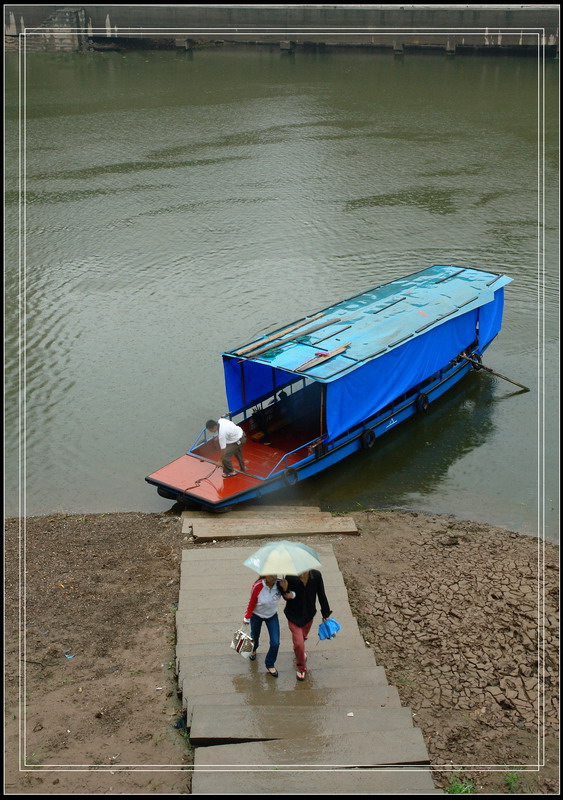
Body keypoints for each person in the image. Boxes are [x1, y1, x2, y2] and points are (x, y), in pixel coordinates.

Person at [282, 570, 332, 681]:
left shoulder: (316, 576)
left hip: (308, 615)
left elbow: (321, 594)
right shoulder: (290, 577)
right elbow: (286, 596)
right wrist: (285, 590)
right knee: (299, 643)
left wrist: (326, 614)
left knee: (302, 639)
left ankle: (299, 651)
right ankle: (301, 667)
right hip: (293, 615)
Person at [243, 575, 290, 677]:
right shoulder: (258, 586)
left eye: (274, 574)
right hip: (257, 615)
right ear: (265, 575)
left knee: (275, 642)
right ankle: (254, 650)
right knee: (254, 637)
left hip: (272, 616)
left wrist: (286, 589)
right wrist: (247, 617)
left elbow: (289, 597)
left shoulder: (280, 584)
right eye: (270, 575)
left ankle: (270, 664)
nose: (273, 577)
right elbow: (252, 602)